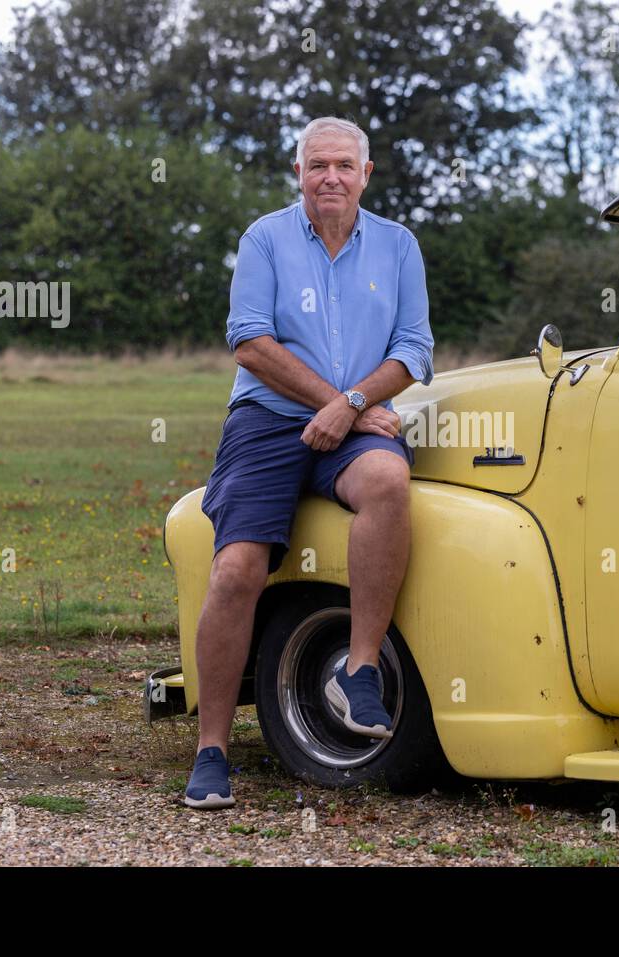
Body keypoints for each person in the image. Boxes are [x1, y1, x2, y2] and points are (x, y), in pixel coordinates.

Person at [183, 117, 434, 809]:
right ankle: (211, 751)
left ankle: (357, 671)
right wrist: (339, 402)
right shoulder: (264, 239)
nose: (331, 176)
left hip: (352, 420)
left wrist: (350, 404)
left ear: (365, 174)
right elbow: (249, 343)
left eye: (343, 166)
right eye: (317, 164)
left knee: (387, 479)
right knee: (237, 569)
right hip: (267, 419)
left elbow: (414, 348)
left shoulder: (398, 246)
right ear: (299, 172)